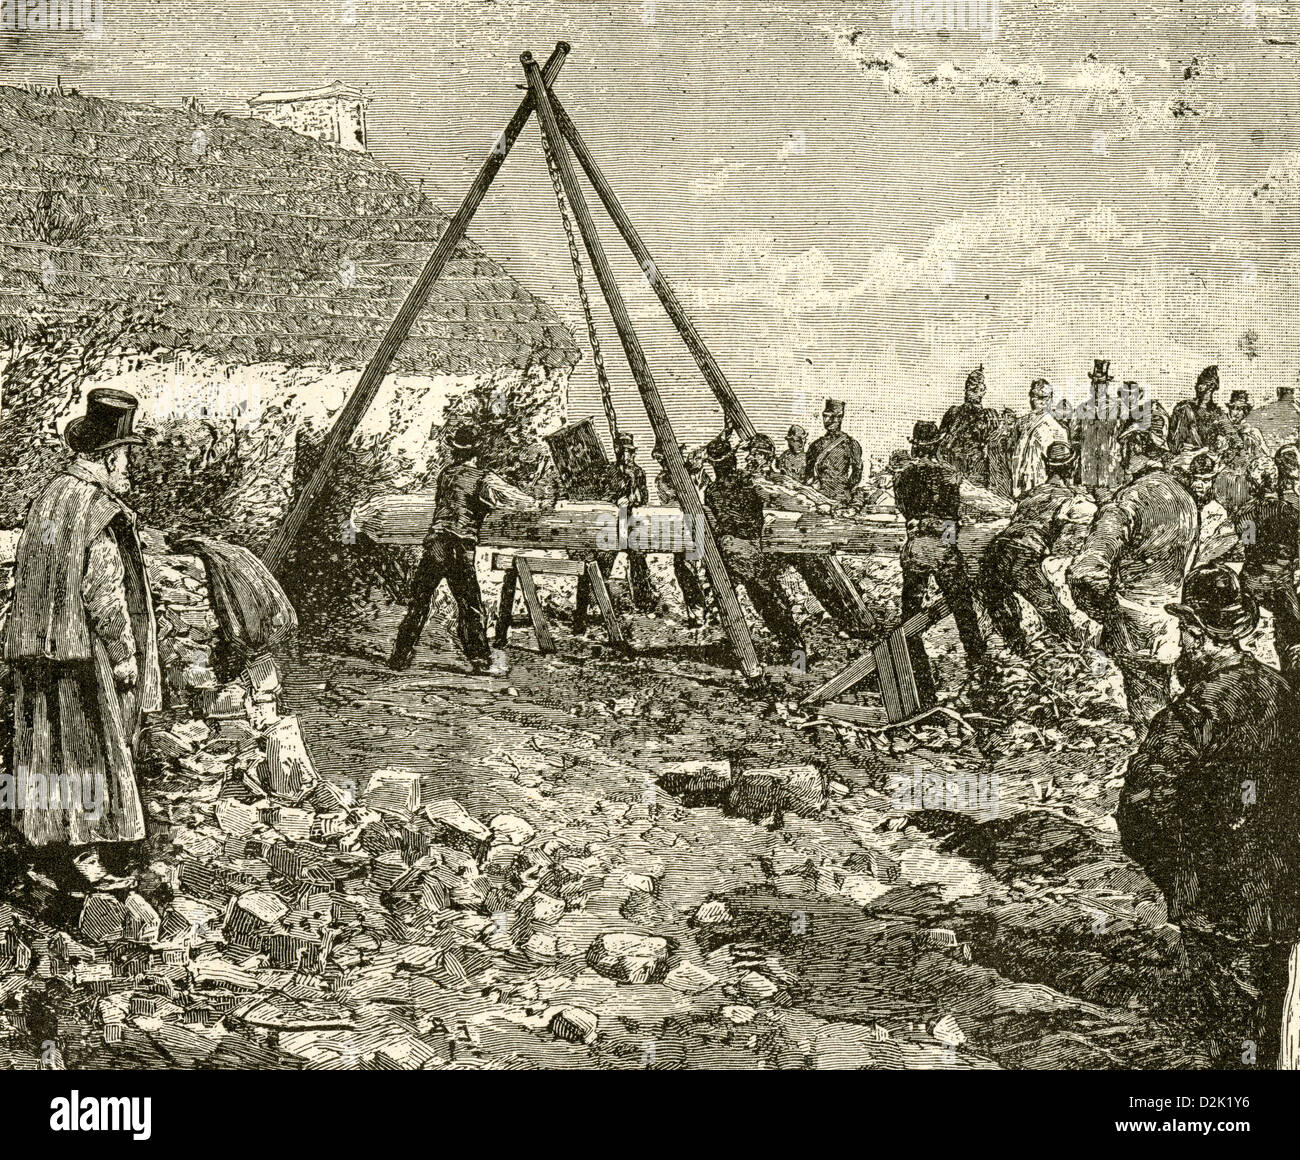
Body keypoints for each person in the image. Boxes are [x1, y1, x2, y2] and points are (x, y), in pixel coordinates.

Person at [1117, 563, 1300, 1069]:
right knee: (1267, 1018)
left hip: (1217, 900)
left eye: (1186, 632)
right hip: (1281, 897)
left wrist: (1182, 876)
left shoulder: (1189, 712)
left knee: (1225, 1027)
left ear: (1197, 633)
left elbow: (1140, 808)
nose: (1182, 645)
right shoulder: (1282, 693)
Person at [5, 388, 162, 900]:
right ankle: (82, 860)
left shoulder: (51, 496)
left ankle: (43, 852)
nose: (129, 471)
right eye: (126, 459)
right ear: (110, 457)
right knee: (85, 754)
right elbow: (104, 595)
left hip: (35, 650)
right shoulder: (96, 508)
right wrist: (124, 658)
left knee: (43, 754)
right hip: (78, 654)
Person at [1068, 411, 1199, 726]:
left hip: (1134, 619)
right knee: (1168, 699)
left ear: (1129, 451)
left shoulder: (1127, 501)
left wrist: (1104, 611)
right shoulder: (1186, 498)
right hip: (1174, 618)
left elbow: (1085, 572)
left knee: (1147, 710)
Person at [389, 426, 536, 672]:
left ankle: (399, 656)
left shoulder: (445, 474)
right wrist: (535, 503)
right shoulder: (483, 478)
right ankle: (479, 660)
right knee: (469, 605)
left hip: (434, 543)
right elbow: (518, 501)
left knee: (419, 602)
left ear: (455, 451)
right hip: (458, 546)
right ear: (477, 452)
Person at [744, 433, 877, 637]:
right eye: (751, 455)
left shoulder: (776, 477)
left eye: (755, 455)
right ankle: (853, 623)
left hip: (793, 536)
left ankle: (854, 623)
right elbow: (784, 497)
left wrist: (833, 506)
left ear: (765, 456)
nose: (749, 459)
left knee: (820, 573)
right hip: (774, 540)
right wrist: (823, 508)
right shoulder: (756, 481)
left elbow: (801, 490)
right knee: (813, 571)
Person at [980, 442, 1095, 655]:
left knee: (1000, 605)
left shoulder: (1030, 495)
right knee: (1049, 606)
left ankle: (1019, 651)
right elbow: (1093, 516)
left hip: (995, 553)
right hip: (1022, 555)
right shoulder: (1070, 499)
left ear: (1046, 465)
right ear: (1072, 466)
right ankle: (1076, 649)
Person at [703, 433, 806, 660]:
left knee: (763, 600)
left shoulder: (712, 491)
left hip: (735, 552)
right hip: (753, 549)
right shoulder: (747, 481)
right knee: (771, 599)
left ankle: (788, 649)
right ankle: (797, 652)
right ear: (732, 460)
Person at [894, 420, 987, 670]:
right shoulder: (950, 473)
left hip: (916, 547)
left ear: (915, 446)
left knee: (911, 608)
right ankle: (976, 656)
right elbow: (951, 516)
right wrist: (947, 546)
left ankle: (912, 660)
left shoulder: (903, 475)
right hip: (942, 545)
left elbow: (906, 513)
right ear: (937, 445)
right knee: (962, 605)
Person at [574, 431, 661, 631]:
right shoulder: (609, 471)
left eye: (629, 452)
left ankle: (643, 604)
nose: (626, 455)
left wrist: (632, 499)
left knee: (639, 564)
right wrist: (615, 500)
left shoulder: (638, 472)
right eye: (622, 452)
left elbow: (644, 497)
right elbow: (601, 495)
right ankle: (587, 611)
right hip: (611, 523)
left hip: (631, 523)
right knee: (600, 565)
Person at [1235, 445, 1300, 675]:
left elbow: (1248, 544)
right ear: (1274, 481)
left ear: (1252, 484)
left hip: (1253, 583)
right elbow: (1294, 550)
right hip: (1282, 583)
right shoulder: (1289, 512)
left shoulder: (1245, 513)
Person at [654, 442, 711, 628]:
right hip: (681, 531)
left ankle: (705, 611)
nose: (662, 462)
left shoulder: (696, 475)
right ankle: (697, 614)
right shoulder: (664, 479)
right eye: (660, 459)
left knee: (700, 573)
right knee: (686, 573)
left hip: (699, 527)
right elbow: (668, 503)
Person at [938, 365, 1000, 489]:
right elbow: (941, 438)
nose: (971, 393)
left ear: (983, 391)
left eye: (976, 389)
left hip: (975, 468)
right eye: (970, 388)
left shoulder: (989, 415)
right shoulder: (954, 412)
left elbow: (992, 445)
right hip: (952, 465)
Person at [1069, 360, 1126, 493]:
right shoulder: (1082, 409)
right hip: (1088, 468)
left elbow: (1124, 436)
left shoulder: (1118, 409)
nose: (1097, 387)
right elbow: (1074, 436)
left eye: (1101, 384)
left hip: (1111, 468)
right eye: (1095, 383)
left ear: (1106, 385)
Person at [1011, 378, 1069, 498]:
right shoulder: (1021, 423)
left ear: (1050, 399)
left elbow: (1060, 466)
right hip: (1017, 484)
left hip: (1040, 487)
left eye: (1042, 397)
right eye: (1034, 396)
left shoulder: (1056, 428)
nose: (1036, 401)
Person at [1215, 389, 1269, 512]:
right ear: (1229, 408)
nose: (1237, 413)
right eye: (1235, 408)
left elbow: (1264, 455)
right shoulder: (1221, 431)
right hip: (1225, 480)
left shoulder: (1252, 432)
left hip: (1246, 480)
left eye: (1241, 409)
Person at [804, 398, 863, 503]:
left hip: (841, 495)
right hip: (819, 496)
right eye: (825, 416)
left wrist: (847, 489)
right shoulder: (815, 445)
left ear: (839, 418)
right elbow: (808, 472)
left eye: (831, 416)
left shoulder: (850, 444)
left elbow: (857, 471)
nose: (827, 420)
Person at [1169, 364, 1225, 455]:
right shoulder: (1184, 408)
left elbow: (1228, 433)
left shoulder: (1217, 412)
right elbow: (1173, 437)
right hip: (1186, 456)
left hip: (1209, 457)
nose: (1200, 387)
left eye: (1204, 384)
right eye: (1200, 383)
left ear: (1212, 387)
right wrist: (1180, 446)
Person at [1244, 378, 1299, 456]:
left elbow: (1245, 425)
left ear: (1278, 392)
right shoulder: (1296, 409)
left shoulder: (1263, 409)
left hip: (1272, 455)